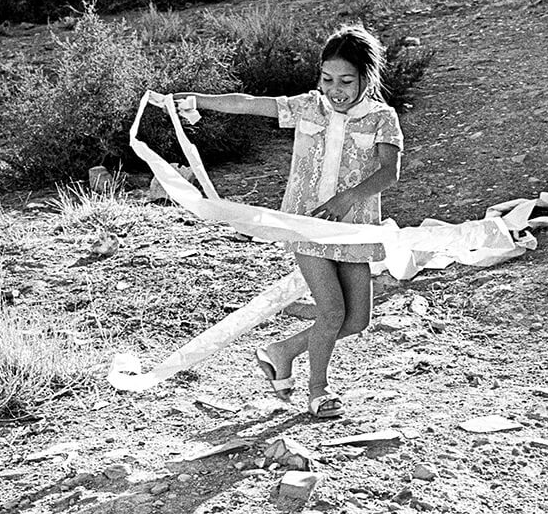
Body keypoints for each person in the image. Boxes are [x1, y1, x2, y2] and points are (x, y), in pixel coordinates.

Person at [172, 24, 403, 419]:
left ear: (367, 77)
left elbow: (390, 172)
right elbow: (249, 103)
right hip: (305, 223)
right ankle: (318, 390)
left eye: (346, 81)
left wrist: (347, 199)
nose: (335, 89)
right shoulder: (308, 107)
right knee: (331, 312)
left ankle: (281, 352)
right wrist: (197, 99)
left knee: (357, 320)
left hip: (353, 227)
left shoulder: (382, 117)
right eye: (327, 78)